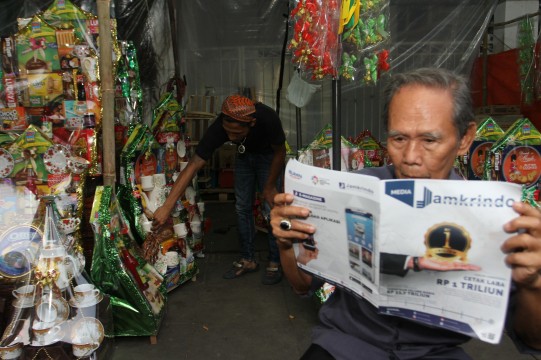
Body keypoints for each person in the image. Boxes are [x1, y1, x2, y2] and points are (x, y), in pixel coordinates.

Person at [270, 68, 541, 359]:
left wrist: (534, 284)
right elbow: (302, 285)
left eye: (429, 140)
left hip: (435, 353)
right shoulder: (356, 192)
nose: (411, 157)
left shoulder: (498, 218)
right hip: (344, 345)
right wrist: (287, 244)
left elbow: (534, 339)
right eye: (399, 139)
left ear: (465, 139)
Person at [152, 94, 286, 285]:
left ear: (252, 124)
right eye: (227, 132)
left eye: (237, 134)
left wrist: (270, 185)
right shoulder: (219, 128)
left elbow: (280, 152)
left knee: (272, 208)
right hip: (244, 156)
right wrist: (167, 206)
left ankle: (275, 261)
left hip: (269, 158)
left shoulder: (268, 118)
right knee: (242, 207)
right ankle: (248, 259)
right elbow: (194, 164)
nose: (230, 137)